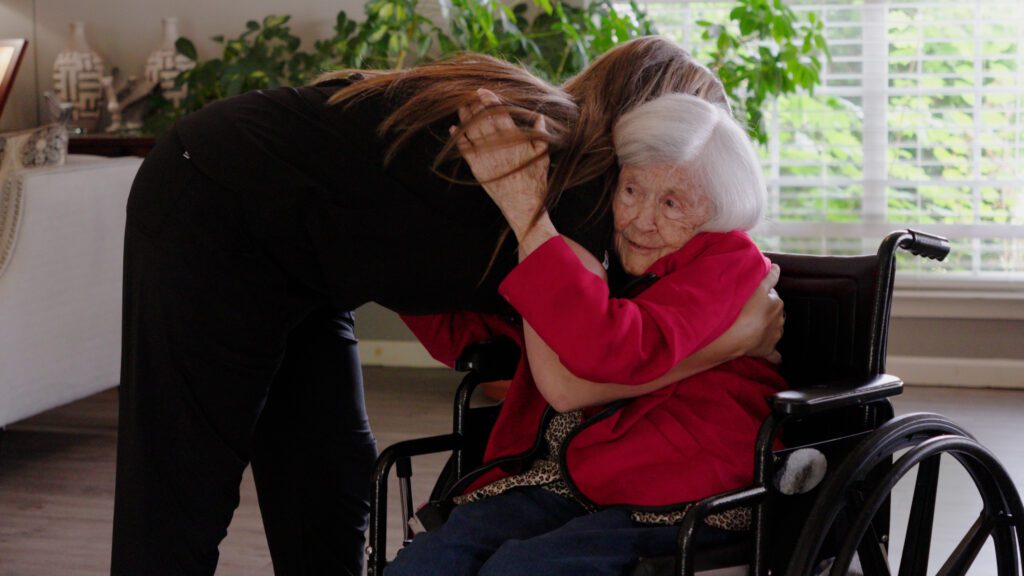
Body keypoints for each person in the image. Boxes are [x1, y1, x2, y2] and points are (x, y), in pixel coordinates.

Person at [110, 36, 782, 576]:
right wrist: (730, 342)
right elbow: (570, 383)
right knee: (181, 481)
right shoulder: (571, 180)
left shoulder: (543, 143)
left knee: (327, 468)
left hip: (299, 239)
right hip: (215, 197)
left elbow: (444, 301)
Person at [385, 90, 786, 576]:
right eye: (631, 191)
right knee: (429, 561)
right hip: (584, 476)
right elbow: (479, 336)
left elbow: (619, 348)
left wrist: (527, 212)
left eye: (671, 203)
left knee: (521, 571)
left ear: (719, 209)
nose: (642, 221)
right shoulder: (610, 258)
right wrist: (394, 269)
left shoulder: (730, 260)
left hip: (684, 484)